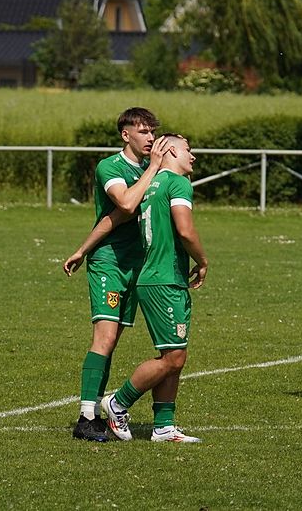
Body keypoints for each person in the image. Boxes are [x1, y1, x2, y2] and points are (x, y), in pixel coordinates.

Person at [65, 134, 208, 443]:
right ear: (171, 152)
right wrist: (203, 260)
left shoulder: (149, 184)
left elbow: (115, 217)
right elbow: (185, 230)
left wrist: (81, 249)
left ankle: (164, 426)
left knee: (174, 354)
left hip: (150, 275)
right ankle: (117, 403)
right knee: (173, 358)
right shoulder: (175, 183)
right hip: (163, 278)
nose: (193, 156)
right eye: (188, 150)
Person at [69, 107, 168, 442]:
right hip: (109, 262)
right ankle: (86, 417)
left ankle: (96, 412)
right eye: (143, 132)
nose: (150, 138)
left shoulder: (152, 168)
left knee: (112, 342)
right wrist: (153, 168)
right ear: (126, 135)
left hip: (138, 264)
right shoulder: (110, 167)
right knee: (104, 338)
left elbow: (120, 218)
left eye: (153, 132)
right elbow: (124, 205)